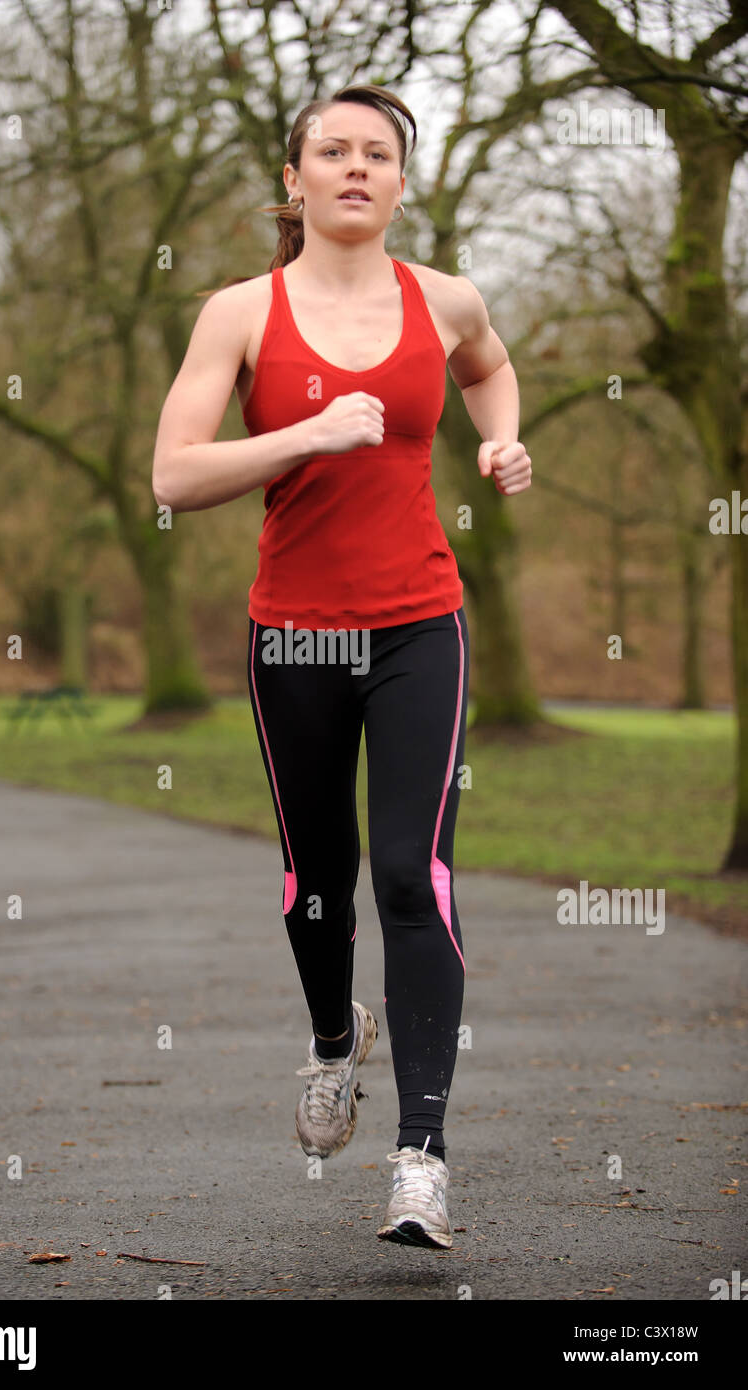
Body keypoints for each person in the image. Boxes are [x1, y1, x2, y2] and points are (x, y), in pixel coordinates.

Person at [152, 83, 532, 1250]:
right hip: (296, 634)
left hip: (420, 621)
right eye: (333, 150)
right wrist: (308, 433)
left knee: (410, 876)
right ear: (294, 178)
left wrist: (499, 434)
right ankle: (331, 1040)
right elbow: (174, 474)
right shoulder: (239, 314)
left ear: (400, 181)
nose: (355, 166)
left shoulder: (446, 297)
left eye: (378, 152)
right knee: (317, 880)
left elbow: (486, 366)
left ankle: (420, 1158)